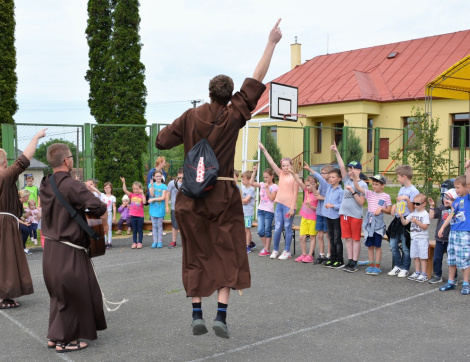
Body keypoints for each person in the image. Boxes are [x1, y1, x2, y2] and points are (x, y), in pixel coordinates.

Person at [155, 19, 282, 338]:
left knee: (195, 254)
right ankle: (221, 317)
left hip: (190, 198)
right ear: (229, 95)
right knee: (229, 254)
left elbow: (160, 141)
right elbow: (257, 77)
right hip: (223, 196)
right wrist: (271, 43)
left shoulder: (189, 116)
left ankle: (197, 313)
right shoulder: (235, 113)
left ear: (209, 92)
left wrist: (180, 131)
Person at [40, 142, 108, 353]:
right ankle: (67, 340)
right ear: (66, 160)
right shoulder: (71, 184)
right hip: (69, 249)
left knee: (59, 294)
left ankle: (54, 335)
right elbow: (99, 206)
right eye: (71, 156)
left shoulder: (45, 183)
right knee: (75, 293)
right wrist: (88, 193)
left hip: (50, 249)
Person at [0, 128, 45, 309]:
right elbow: (24, 159)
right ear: (4, 161)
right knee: (7, 257)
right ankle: (5, 296)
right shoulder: (5, 175)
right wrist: (36, 137)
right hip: (5, 222)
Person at [331, 142, 368, 273]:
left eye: (353, 168)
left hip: (355, 215)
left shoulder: (363, 184)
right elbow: (341, 165)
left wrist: (353, 191)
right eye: (349, 168)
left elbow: (361, 202)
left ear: (359, 170)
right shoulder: (347, 180)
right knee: (347, 239)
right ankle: (350, 260)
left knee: (355, 239)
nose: (350, 171)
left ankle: (355, 262)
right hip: (344, 214)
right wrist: (336, 151)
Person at [258, 144, 299, 260]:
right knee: (277, 227)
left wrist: (292, 207)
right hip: (279, 204)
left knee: (287, 226)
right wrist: (264, 149)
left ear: (291, 165)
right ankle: (275, 250)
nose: (285, 167)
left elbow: (296, 193)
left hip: (289, 206)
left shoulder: (294, 177)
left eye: (287, 165)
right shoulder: (280, 174)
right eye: (284, 165)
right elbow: (271, 163)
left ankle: (287, 251)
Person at [438, 166, 470, 295]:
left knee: (464, 260)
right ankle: (451, 281)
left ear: (466, 187)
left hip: (464, 233)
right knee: (452, 258)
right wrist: (442, 227)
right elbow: (451, 215)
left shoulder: (468, 198)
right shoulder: (456, 201)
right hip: (454, 233)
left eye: (458, 187)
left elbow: (468, 182)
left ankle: (466, 283)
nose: (456, 190)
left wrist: (468, 170)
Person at [352, 174, 392, 275]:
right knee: (370, 246)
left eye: (376, 184)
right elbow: (357, 187)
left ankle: (377, 266)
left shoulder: (386, 196)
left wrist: (382, 209)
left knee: (377, 246)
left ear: (382, 185)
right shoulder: (369, 193)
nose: (374, 186)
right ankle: (370, 265)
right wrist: (354, 178)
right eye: (373, 184)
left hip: (378, 225)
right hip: (369, 225)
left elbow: (389, 210)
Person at [387, 165, 419, 278]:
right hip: (397, 220)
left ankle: (405, 268)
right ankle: (398, 265)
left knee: (405, 247)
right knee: (392, 245)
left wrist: (406, 199)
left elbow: (413, 209)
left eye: (398, 177)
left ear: (404, 176)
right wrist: (394, 207)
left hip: (406, 220)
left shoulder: (413, 191)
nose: (397, 179)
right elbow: (400, 203)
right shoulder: (402, 189)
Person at [309, 166, 344, 268]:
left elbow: (342, 205)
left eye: (333, 177)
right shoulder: (328, 187)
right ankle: (332, 259)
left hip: (336, 218)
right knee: (332, 239)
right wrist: (310, 171)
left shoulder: (340, 191)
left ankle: (339, 260)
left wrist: (333, 206)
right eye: (330, 177)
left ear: (339, 179)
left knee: (337, 239)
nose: (330, 179)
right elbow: (320, 178)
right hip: (327, 216)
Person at [427, 188, 457, 283]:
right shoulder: (441, 208)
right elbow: (431, 216)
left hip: (451, 239)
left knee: (451, 259)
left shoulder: (456, 210)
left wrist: (453, 206)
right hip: (440, 238)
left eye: (449, 199)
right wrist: (432, 206)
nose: (445, 200)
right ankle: (438, 275)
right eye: (445, 197)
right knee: (437, 258)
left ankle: (454, 277)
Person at [399, 193, 430, 282]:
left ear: (424, 204)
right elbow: (405, 223)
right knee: (415, 256)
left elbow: (425, 227)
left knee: (423, 257)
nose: (415, 205)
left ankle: (424, 274)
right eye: (414, 203)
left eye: (417, 204)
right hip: (414, 238)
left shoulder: (425, 214)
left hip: (422, 238)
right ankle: (417, 272)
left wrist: (416, 222)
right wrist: (401, 217)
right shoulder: (413, 213)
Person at [291, 168, 318, 263]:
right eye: (306, 185)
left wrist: (311, 206)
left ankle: (310, 255)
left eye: (309, 185)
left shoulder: (316, 193)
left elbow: (318, 208)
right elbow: (298, 180)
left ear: (314, 185)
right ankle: (304, 254)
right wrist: (291, 171)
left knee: (312, 237)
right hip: (304, 217)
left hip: (313, 218)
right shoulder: (306, 191)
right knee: (302, 237)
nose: (307, 187)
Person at [250, 165, 278, 256]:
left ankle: (266, 249)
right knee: (260, 231)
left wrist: (266, 188)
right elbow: (251, 183)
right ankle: (266, 247)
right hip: (260, 210)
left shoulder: (274, 187)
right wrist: (254, 171)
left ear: (272, 176)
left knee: (267, 230)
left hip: (269, 211)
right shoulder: (262, 184)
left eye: (267, 177)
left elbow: (271, 199)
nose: (265, 179)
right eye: (264, 177)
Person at [313, 164, 333, 264]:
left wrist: (322, 198)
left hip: (326, 213)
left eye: (324, 173)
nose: (322, 175)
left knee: (328, 235)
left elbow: (331, 199)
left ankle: (329, 254)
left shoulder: (329, 184)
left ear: (330, 175)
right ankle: (322, 254)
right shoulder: (321, 184)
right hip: (319, 212)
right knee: (320, 235)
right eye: (321, 173)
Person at [121, 177, 146, 249]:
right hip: (133, 215)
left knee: (140, 230)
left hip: (140, 216)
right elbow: (124, 190)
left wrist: (143, 193)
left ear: (140, 189)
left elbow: (144, 202)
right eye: (134, 189)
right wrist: (123, 182)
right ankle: (134, 242)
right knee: (134, 230)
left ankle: (140, 242)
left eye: (137, 189)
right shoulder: (132, 195)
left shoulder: (141, 196)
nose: (135, 190)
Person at [146, 157, 167, 236]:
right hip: (153, 194)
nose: (164, 164)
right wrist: (150, 195)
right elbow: (150, 182)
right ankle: (152, 229)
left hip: (161, 194)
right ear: (160, 163)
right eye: (164, 162)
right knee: (154, 211)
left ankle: (161, 228)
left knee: (160, 210)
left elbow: (163, 183)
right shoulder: (152, 171)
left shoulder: (164, 172)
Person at [149, 170, 167, 248]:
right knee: (154, 226)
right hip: (153, 209)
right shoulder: (150, 185)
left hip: (160, 209)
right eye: (157, 176)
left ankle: (159, 241)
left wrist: (153, 200)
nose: (158, 177)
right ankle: (154, 241)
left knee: (159, 226)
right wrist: (152, 186)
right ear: (154, 177)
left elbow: (163, 198)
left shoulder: (164, 186)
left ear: (161, 176)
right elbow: (152, 194)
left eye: (159, 176)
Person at [165, 168, 183, 248]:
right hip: (174, 207)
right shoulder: (172, 183)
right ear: (178, 174)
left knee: (185, 225)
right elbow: (167, 195)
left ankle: (186, 242)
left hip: (184, 207)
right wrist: (166, 206)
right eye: (181, 176)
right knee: (174, 225)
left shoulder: (187, 183)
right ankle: (174, 241)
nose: (182, 178)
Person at [241, 170, 256, 253]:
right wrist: (243, 201)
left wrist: (244, 200)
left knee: (247, 230)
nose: (242, 181)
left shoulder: (251, 190)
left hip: (248, 213)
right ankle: (250, 242)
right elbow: (242, 200)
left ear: (249, 179)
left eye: (244, 180)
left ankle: (247, 246)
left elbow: (246, 200)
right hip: (243, 212)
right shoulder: (243, 189)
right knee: (244, 229)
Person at [100, 182, 116, 249]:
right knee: (103, 228)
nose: (107, 189)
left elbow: (114, 207)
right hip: (103, 214)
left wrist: (114, 216)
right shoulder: (102, 196)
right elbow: (95, 190)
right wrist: (89, 185)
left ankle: (109, 242)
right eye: (105, 188)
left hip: (109, 214)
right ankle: (104, 242)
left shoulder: (112, 197)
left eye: (108, 187)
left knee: (109, 228)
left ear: (111, 188)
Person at [18, 190, 33, 254]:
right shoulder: (16, 203)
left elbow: (18, 216)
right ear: (24, 197)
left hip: (16, 220)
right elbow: (14, 217)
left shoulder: (21, 204)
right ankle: (22, 248)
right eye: (28, 197)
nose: (28, 198)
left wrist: (25, 220)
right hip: (11, 221)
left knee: (29, 227)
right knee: (25, 229)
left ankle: (22, 246)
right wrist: (24, 223)